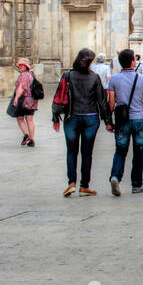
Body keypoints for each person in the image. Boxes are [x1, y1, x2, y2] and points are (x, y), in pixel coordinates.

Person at [52, 47, 111, 197]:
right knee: (87, 152)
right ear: (90, 62)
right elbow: (102, 101)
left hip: (72, 117)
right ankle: (84, 186)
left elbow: (59, 95)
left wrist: (55, 116)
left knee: (71, 151)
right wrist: (108, 121)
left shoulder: (68, 75)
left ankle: (71, 182)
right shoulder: (94, 77)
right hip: (91, 118)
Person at [107, 47, 143, 195]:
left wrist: (109, 121)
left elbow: (111, 103)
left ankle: (115, 176)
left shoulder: (114, 79)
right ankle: (136, 184)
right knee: (139, 152)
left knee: (120, 150)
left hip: (122, 120)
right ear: (133, 61)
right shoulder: (142, 79)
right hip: (138, 119)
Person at [10, 57, 40, 147]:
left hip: (23, 100)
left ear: (25, 66)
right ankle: (32, 140)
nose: (19, 66)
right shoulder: (31, 74)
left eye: (21, 65)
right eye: (19, 65)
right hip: (33, 100)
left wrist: (16, 98)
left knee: (20, 118)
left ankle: (26, 135)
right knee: (30, 119)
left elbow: (21, 87)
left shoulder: (23, 75)